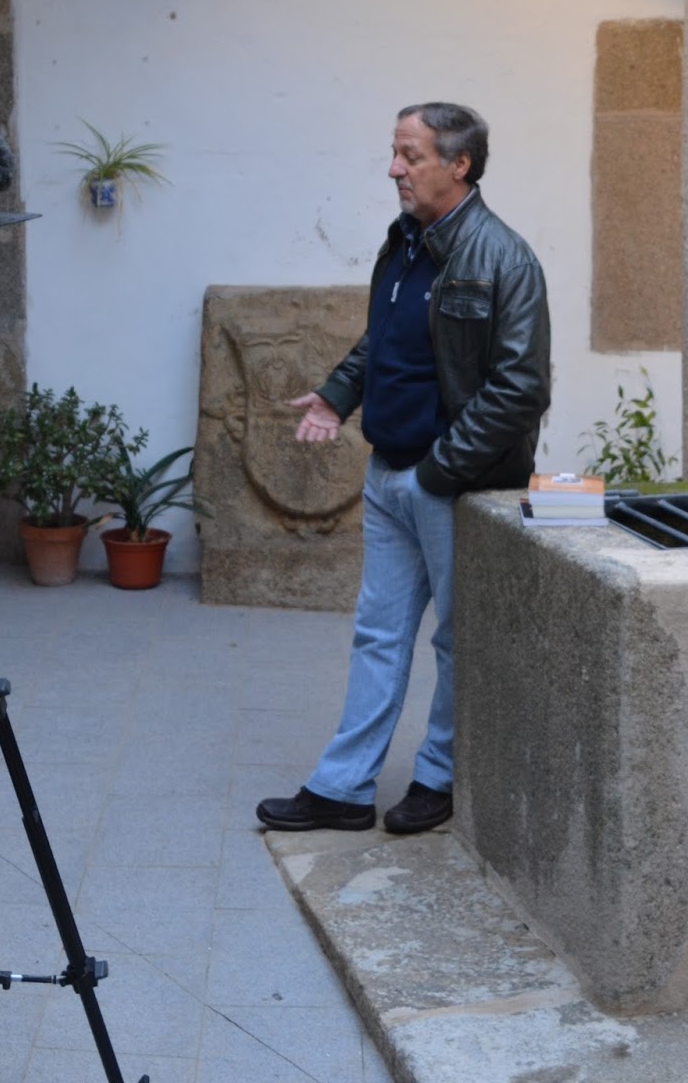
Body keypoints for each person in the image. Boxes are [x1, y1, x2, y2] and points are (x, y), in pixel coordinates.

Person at [256, 103, 549, 838]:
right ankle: (345, 788)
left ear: (460, 165)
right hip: (391, 475)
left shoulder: (503, 258)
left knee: (454, 639)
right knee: (378, 635)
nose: (394, 169)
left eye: (410, 155)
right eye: (394, 152)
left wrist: (437, 469)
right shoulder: (406, 242)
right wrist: (337, 393)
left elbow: (521, 388)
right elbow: (384, 341)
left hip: (451, 484)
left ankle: (437, 779)